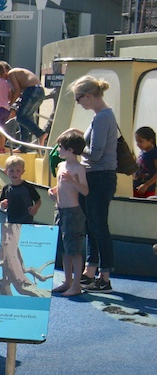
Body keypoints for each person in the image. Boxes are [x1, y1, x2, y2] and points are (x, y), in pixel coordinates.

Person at [72, 75, 118, 293]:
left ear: (88, 95)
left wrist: (76, 151)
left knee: (99, 226)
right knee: (92, 225)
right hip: (98, 176)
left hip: (99, 176)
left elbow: (97, 154)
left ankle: (104, 276)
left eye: (78, 99)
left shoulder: (102, 117)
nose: (79, 103)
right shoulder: (103, 116)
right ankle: (91, 272)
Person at [48, 129, 89, 297]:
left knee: (74, 250)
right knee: (64, 249)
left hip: (73, 212)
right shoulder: (61, 165)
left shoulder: (79, 168)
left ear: (70, 150)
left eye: (61, 147)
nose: (58, 150)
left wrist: (73, 181)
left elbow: (85, 191)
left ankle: (76, 284)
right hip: (60, 211)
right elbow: (61, 187)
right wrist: (54, 191)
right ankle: (67, 281)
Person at [7, 65, 47, 146]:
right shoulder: (19, 74)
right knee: (25, 117)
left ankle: (40, 133)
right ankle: (24, 146)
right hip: (39, 91)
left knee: (20, 117)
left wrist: (9, 105)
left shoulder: (11, 73)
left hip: (33, 90)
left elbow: (17, 91)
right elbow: (19, 93)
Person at [0, 155, 41, 223]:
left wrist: (35, 208)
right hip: (11, 221)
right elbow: (2, 204)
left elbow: (38, 200)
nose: (14, 173)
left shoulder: (28, 187)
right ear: (6, 172)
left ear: (22, 172)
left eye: (18, 171)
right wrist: (2, 205)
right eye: (11, 171)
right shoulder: (6, 188)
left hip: (26, 221)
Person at [133, 125, 157, 198]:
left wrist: (146, 185)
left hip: (147, 189)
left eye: (141, 141)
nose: (138, 144)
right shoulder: (142, 152)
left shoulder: (154, 152)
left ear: (150, 141)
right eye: (136, 141)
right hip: (137, 187)